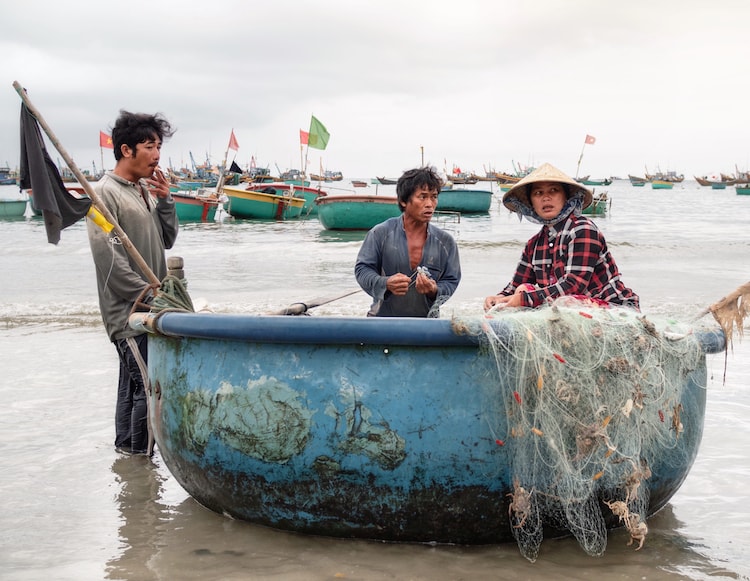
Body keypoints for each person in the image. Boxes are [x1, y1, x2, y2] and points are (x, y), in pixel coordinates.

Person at [87, 110, 177, 455]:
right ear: (127, 150)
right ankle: (141, 465)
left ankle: (127, 455)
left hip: (150, 306)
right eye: (149, 146)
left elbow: (166, 240)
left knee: (133, 386)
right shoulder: (103, 196)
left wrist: (166, 201)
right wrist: (146, 298)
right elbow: (108, 259)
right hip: (128, 312)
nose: (157, 155)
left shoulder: (143, 191)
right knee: (147, 387)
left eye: (158, 146)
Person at [484, 162, 639, 311]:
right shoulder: (534, 244)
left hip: (613, 308)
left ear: (566, 197)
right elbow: (516, 285)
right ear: (530, 202)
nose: (546, 198)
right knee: (523, 290)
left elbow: (573, 286)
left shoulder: (583, 230)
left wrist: (524, 299)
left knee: (562, 302)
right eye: (538, 193)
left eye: (553, 191)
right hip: (570, 309)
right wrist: (498, 298)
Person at [355, 166, 461, 317]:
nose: (430, 204)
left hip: (427, 327)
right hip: (381, 323)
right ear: (404, 201)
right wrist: (385, 283)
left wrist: (434, 290)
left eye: (434, 197)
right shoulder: (380, 234)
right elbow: (362, 270)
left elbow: (451, 280)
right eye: (423, 197)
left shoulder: (446, 242)